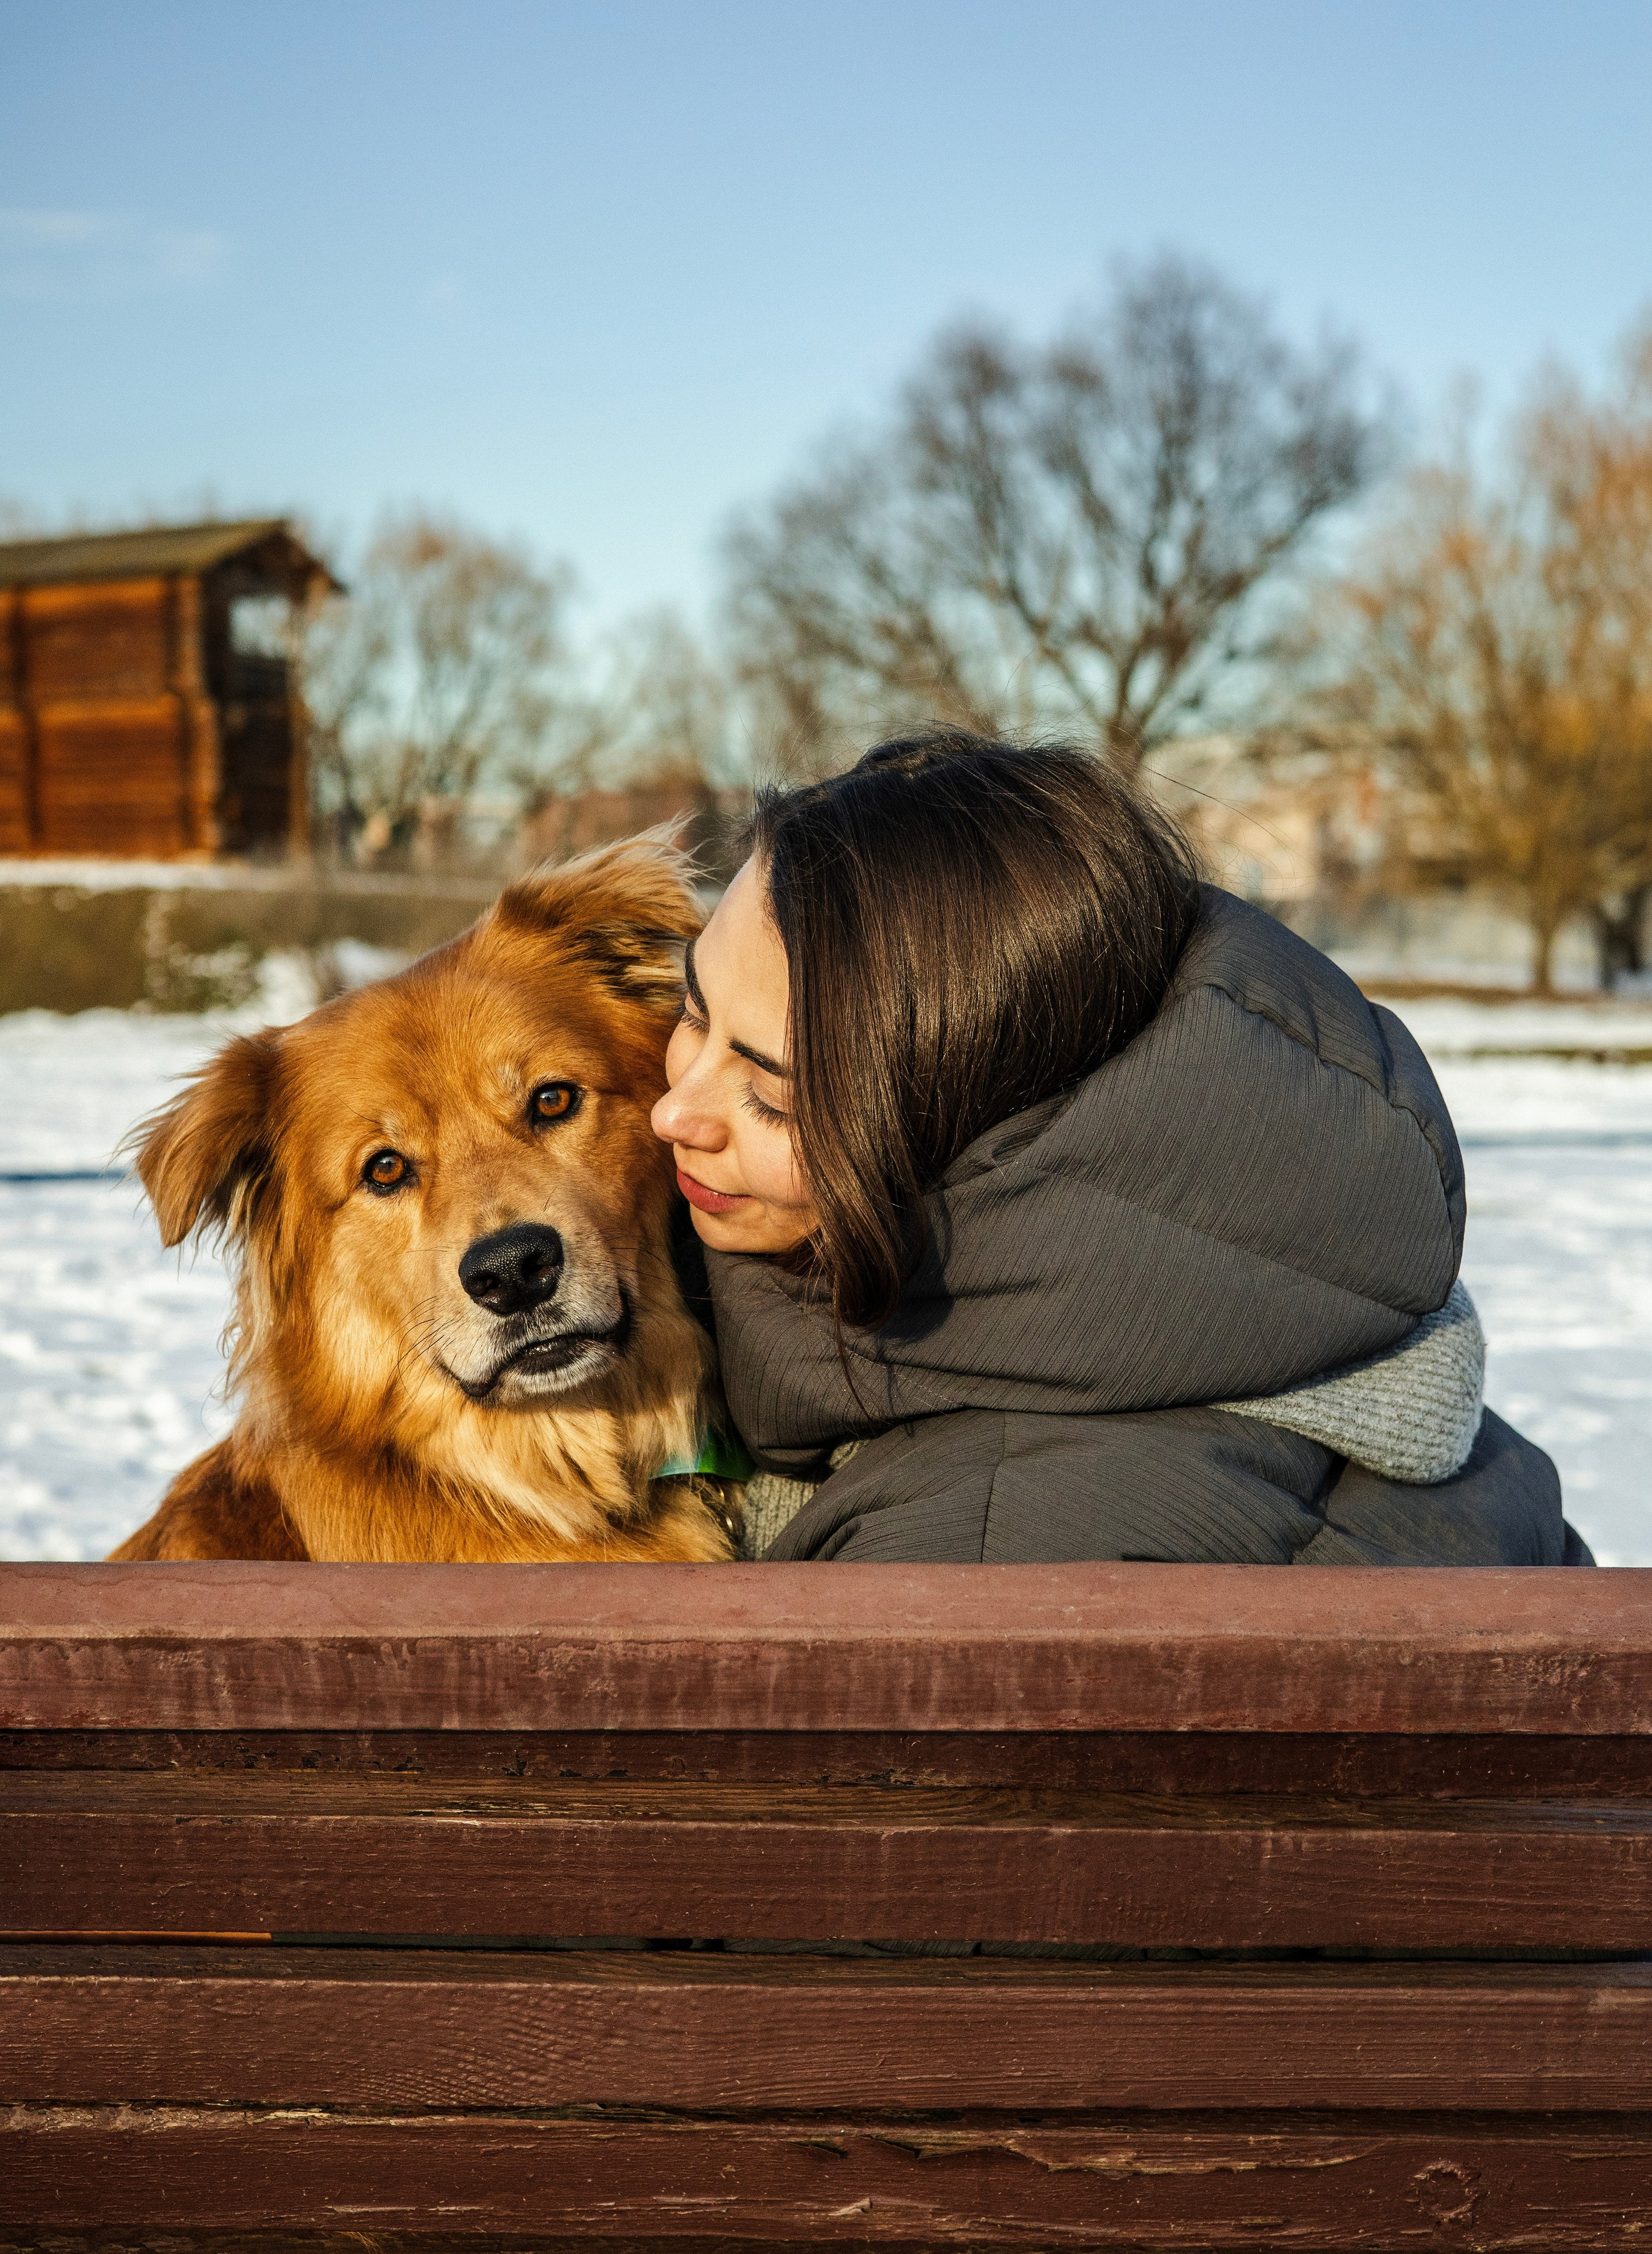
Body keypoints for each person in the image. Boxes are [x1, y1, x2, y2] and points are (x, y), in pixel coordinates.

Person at [651, 730, 1589, 1565]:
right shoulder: (1287, 1296)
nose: (674, 1111)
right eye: (693, 1011)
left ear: (961, 1129)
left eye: (774, 1095)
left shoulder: (978, 1554)